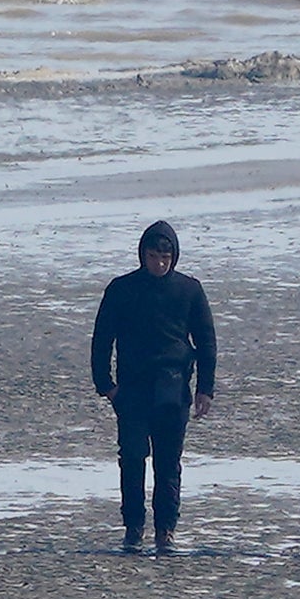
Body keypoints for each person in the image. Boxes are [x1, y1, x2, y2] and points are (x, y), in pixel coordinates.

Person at [90, 221, 218, 555]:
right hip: (131, 390)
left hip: (173, 389)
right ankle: (134, 528)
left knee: (168, 462)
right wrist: (105, 385)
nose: (159, 263)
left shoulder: (189, 290)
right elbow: (102, 338)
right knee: (132, 458)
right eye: (153, 256)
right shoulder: (121, 289)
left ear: (174, 257)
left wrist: (206, 388)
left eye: (165, 257)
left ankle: (166, 530)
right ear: (142, 255)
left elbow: (206, 341)